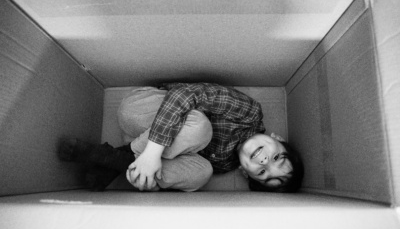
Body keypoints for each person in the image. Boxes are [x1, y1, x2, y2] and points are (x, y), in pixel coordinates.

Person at [58, 82, 303, 192]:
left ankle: (116, 160)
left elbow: (177, 165)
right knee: (199, 128)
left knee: (201, 174)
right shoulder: (250, 113)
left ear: (244, 173)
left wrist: (154, 158)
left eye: (262, 173)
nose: (264, 162)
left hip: (143, 146)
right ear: (277, 137)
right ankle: (115, 158)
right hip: (139, 110)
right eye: (277, 158)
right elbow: (188, 94)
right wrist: (153, 152)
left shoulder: (225, 165)